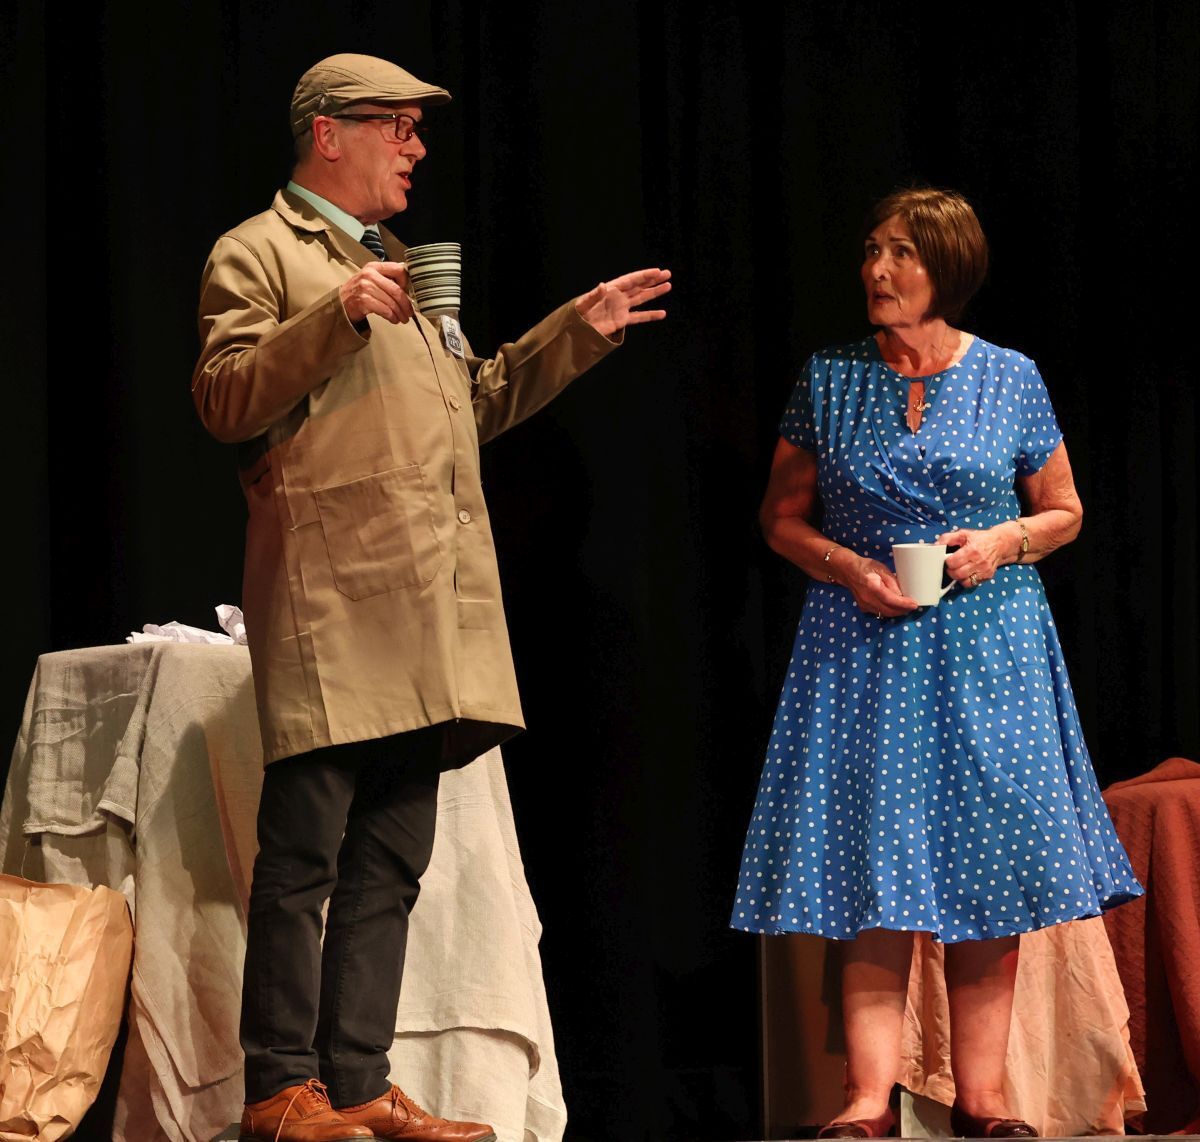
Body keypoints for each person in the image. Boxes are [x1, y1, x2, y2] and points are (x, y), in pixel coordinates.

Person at [192, 53, 670, 1142]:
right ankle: (277, 1090)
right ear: (329, 134)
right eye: (396, 128)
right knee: (305, 850)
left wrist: (573, 333)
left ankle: (356, 1082)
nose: (414, 149)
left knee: (392, 859)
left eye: (416, 130)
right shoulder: (261, 251)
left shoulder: (402, 267)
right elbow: (224, 398)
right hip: (331, 596)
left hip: (425, 608)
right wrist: (337, 315)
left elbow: (473, 401)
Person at [731, 187, 1141, 1139]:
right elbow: (779, 518)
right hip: (862, 641)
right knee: (876, 870)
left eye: (902, 255)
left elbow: (1066, 509)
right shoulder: (829, 378)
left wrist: (1000, 543)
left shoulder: (1010, 376)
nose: (878, 271)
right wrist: (850, 568)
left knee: (991, 870)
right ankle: (868, 1101)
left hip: (988, 643)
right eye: (872, 251)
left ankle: (985, 1101)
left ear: (946, 270)